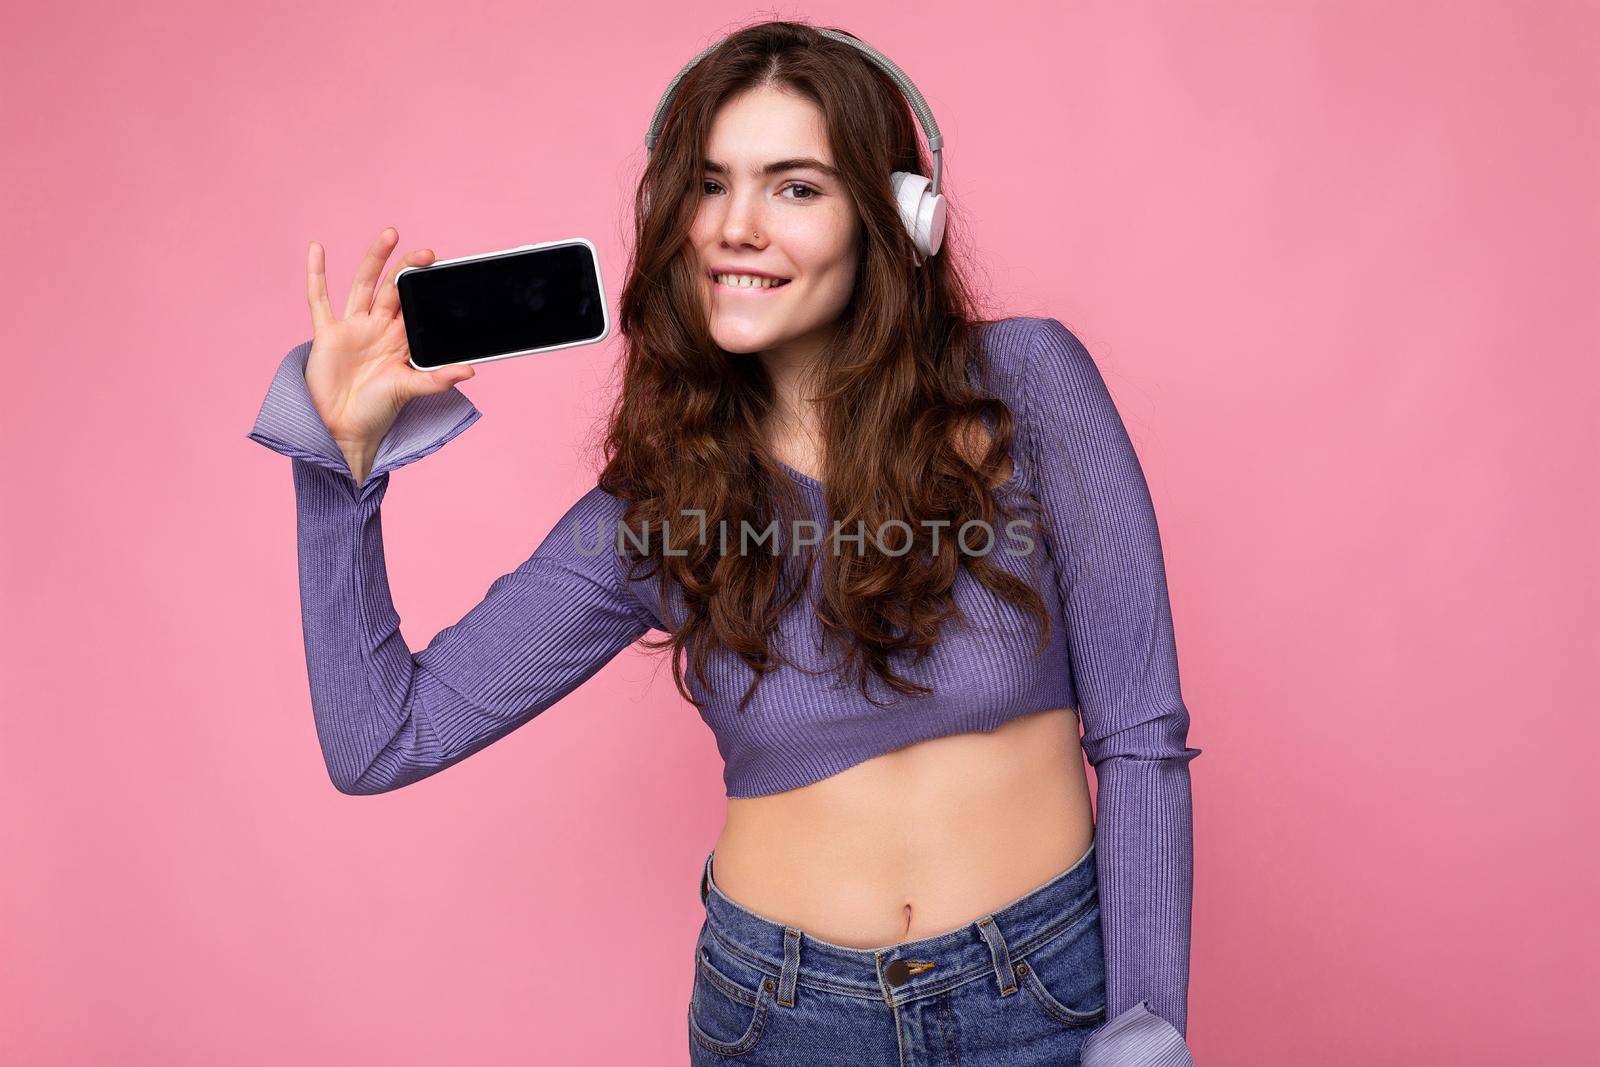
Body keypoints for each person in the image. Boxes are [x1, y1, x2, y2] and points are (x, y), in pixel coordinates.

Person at [246, 20, 1200, 1067]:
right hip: (781, 1018)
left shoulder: (1027, 384)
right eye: (708, 185)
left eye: (794, 187)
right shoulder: (658, 505)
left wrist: (1144, 1026)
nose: (736, 226)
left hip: (1046, 993)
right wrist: (336, 463)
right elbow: (383, 738)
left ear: (896, 215)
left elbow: (1140, 732)